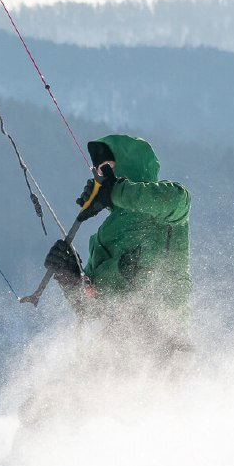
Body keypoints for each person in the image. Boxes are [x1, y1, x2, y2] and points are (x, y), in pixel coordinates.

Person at [42, 134, 192, 347]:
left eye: (106, 167)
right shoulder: (104, 235)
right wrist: (70, 277)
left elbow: (172, 201)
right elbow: (92, 306)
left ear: (128, 164)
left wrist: (116, 191)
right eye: (97, 169)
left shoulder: (169, 205)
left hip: (164, 341)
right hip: (119, 350)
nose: (99, 174)